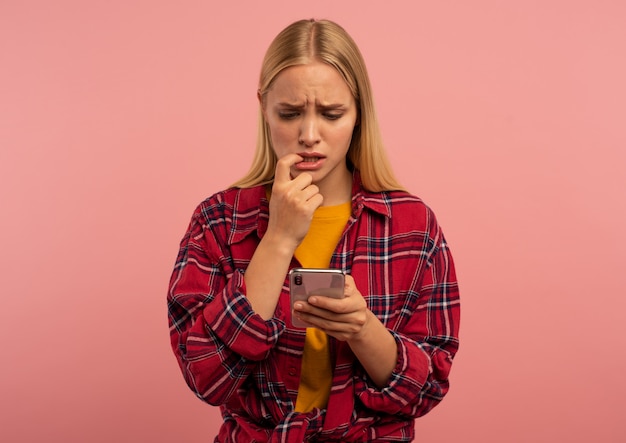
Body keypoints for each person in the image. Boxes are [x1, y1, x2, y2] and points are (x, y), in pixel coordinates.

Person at [167, 18, 460, 442]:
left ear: (359, 113)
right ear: (264, 107)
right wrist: (279, 238)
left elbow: (428, 387)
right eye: (289, 113)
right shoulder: (218, 220)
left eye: (332, 113)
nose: (309, 135)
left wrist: (363, 329)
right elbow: (206, 377)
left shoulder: (412, 225)